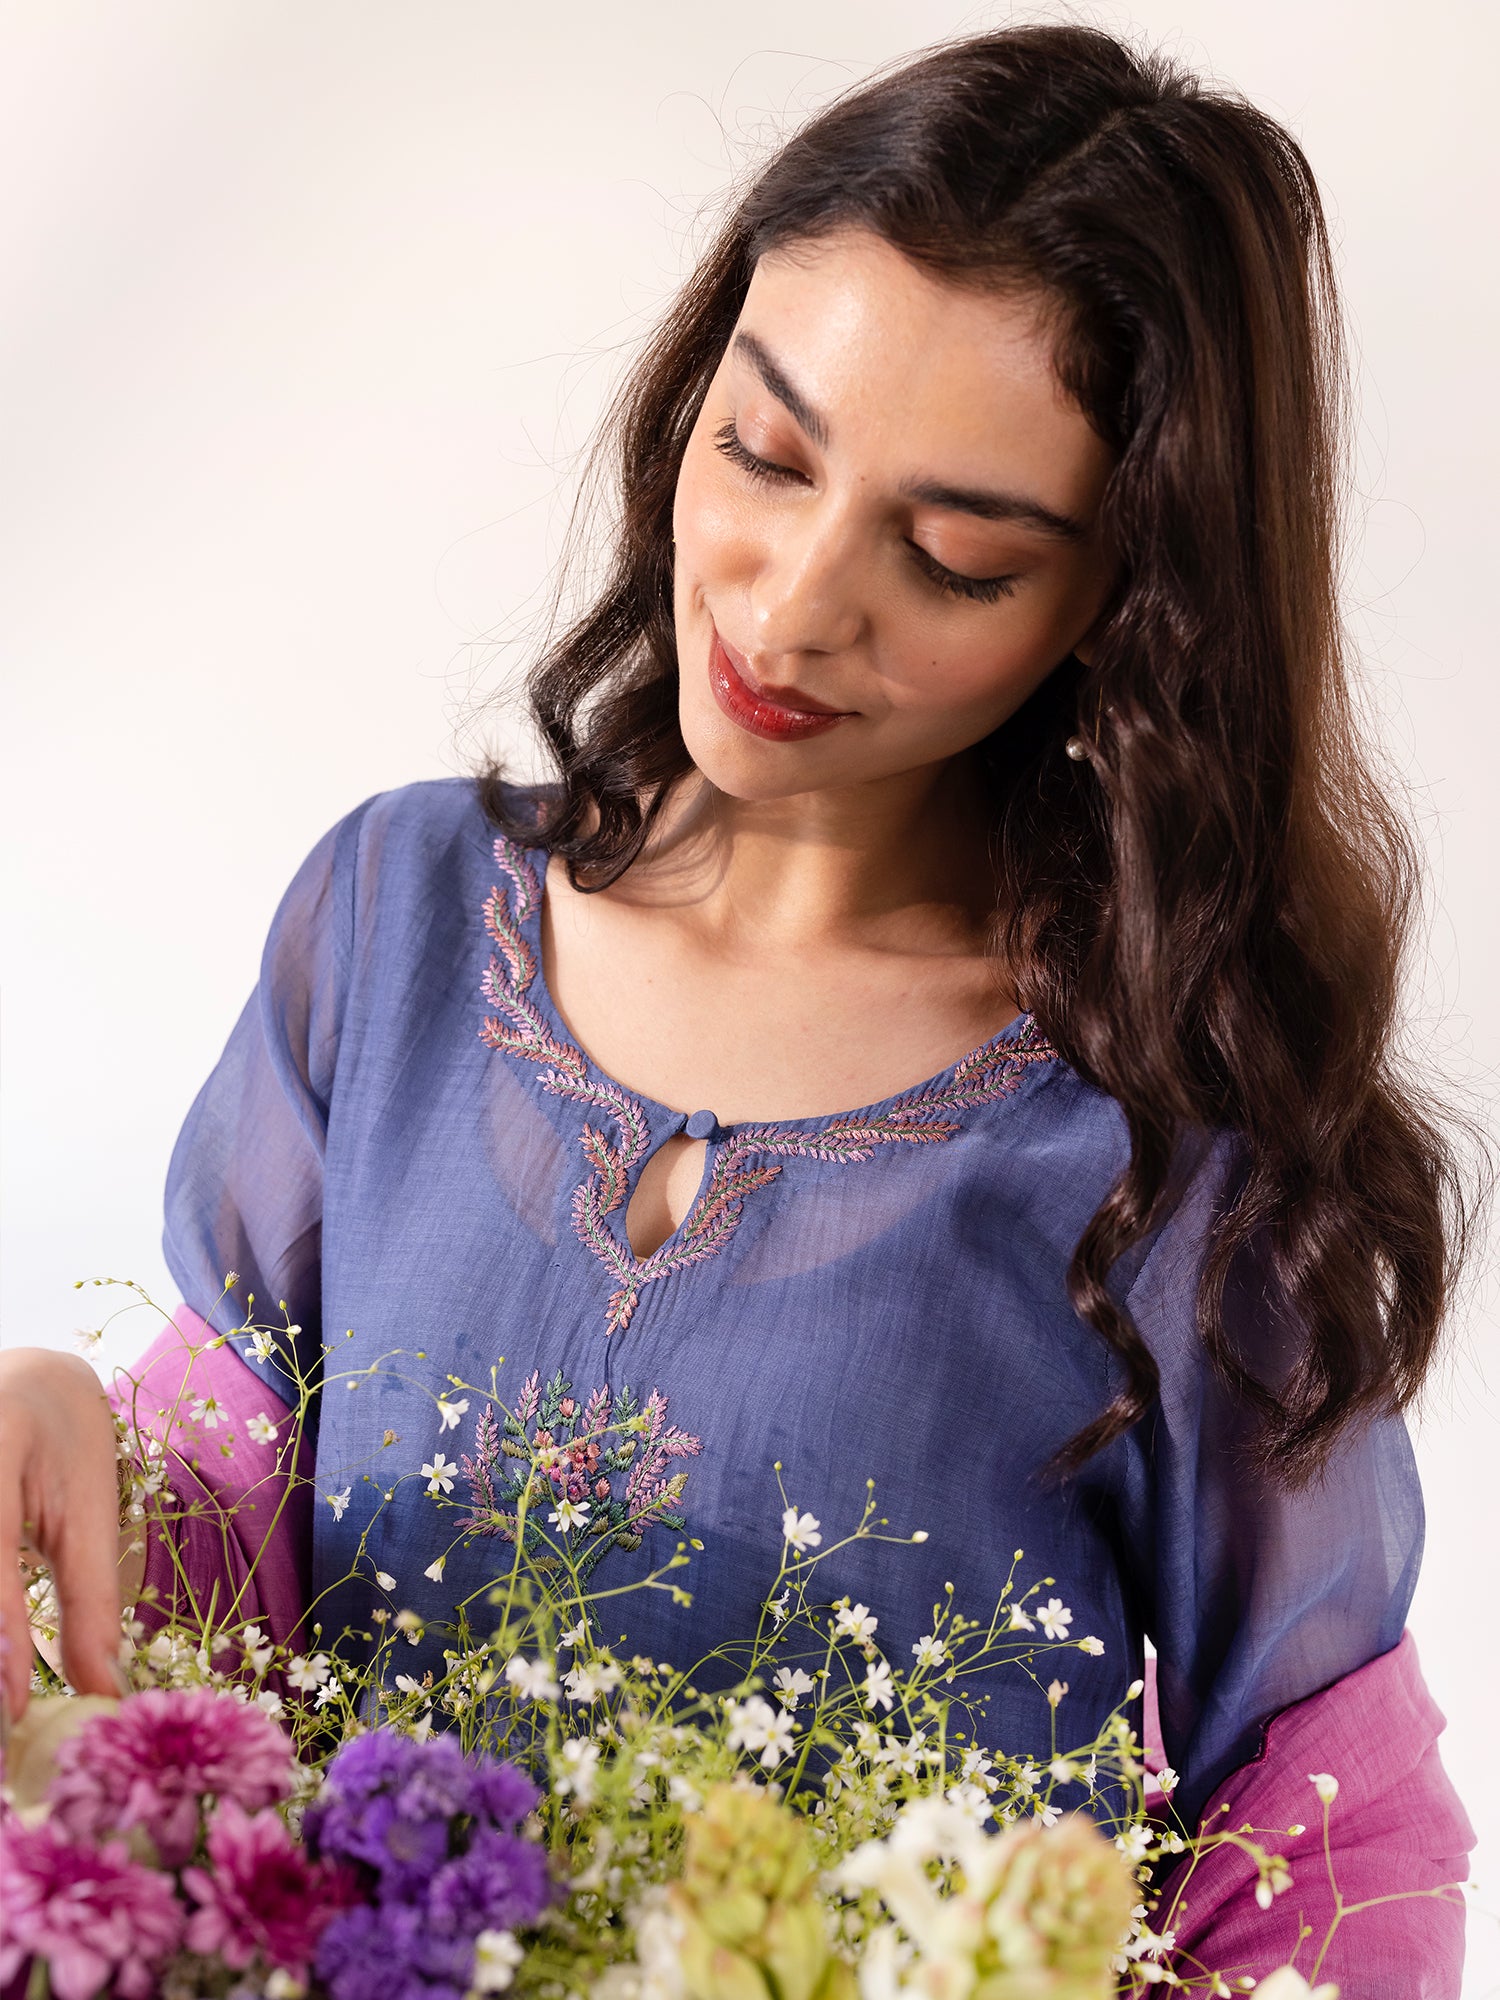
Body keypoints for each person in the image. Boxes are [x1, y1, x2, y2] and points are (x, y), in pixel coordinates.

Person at [0, 23, 1478, 1989]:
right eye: (765, 453)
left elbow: (1333, 1858)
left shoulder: (1170, 1157)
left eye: (953, 558)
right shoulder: (400, 921)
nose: (787, 608)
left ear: (1123, 603)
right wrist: (74, 1438)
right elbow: (207, 1611)